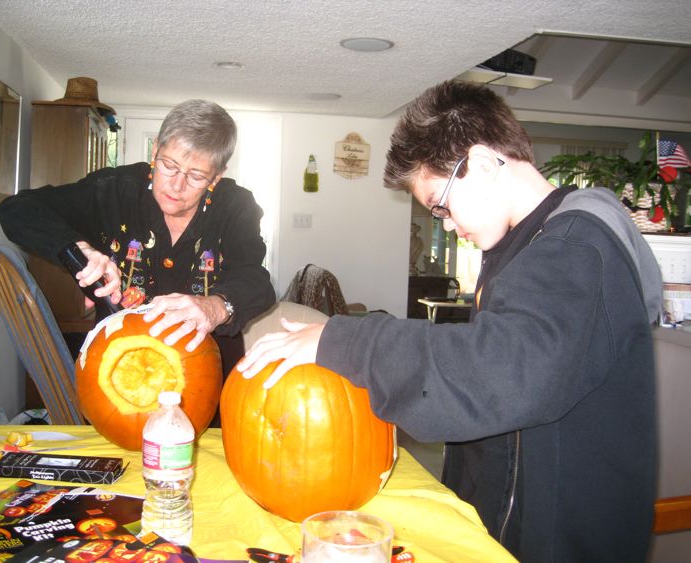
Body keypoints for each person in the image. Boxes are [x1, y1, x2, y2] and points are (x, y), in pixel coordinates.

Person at [238, 81, 663, 561]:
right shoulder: (527, 244)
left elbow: (498, 373)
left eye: (440, 203)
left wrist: (346, 342)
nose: (443, 223)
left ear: (482, 163)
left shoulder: (575, 247)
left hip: (558, 542)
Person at [0, 99, 276, 375]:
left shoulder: (235, 206)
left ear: (215, 178)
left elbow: (255, 278)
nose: (177, 185)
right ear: (155, 150)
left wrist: (215, 306)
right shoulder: (115, 190)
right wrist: (78, 250)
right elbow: (17, 210)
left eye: (196, 176)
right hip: (119, 367)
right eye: (169, 165)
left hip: (207, 373)